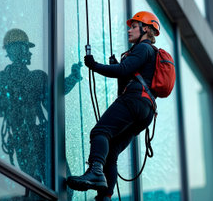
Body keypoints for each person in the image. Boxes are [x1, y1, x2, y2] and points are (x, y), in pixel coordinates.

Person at [67, 11, 160, 201]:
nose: (129, 30)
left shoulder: (144, 48)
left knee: (100, 132)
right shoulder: (148, 53)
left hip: (134, 100)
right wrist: (118, 67)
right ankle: (105, 196)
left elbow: (123, 71)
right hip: (146, 110)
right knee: (112, 151)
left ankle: (95, 172)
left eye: (134, 26)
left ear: (146, 29)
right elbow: (125, 77)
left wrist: (95, 65)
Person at [0, 28, 82, 186]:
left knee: (52, 184)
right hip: (27, 138)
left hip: (35, 136)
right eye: (26, 49)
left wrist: (73, 78)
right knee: (41, 185)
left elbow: (52, 96)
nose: (30, 53)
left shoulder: (34, 77)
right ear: (16, 50)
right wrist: (13, 99)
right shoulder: (3, 79)